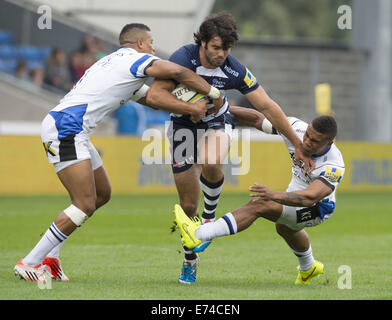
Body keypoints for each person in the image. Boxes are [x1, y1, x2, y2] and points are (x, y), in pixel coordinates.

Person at [13, 23, 224, 283]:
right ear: (139, 44)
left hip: (72, 128)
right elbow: (178, 70)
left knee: (102, 194)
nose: (153, 48)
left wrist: (190, 108)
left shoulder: (114, 65)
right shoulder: (135, 60)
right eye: (150, 42)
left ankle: (50, 257)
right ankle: (30, 262)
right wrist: (213, 93)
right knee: (83, 204)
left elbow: (154, 99)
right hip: (66, 128)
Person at [146, 11, 313, 284]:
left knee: (212, 161)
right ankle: (190, 260)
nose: (221, 54)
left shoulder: (234, 69)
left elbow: (267, 105)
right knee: (188, 207)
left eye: (226, 48)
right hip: (182, 129)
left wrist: (297, 144)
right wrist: (189, 108)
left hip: (217, 123)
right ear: (202, 43)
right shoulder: (181, 59)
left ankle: (210, 217)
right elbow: (155, 95)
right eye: (215, 47)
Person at [174, 107, 345, 285]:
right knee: (284, 228)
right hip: (293, 195)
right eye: (307, 135)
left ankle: (201, 234)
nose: (307, 141)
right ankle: (309, 267)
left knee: (260, 204)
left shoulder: (333, 164)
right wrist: (219, 108)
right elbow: (258, 119)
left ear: (329, 143)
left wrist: (273, 195)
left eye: (315, 141)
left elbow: (310, 197)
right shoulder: (296, 129)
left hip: (318, 208)